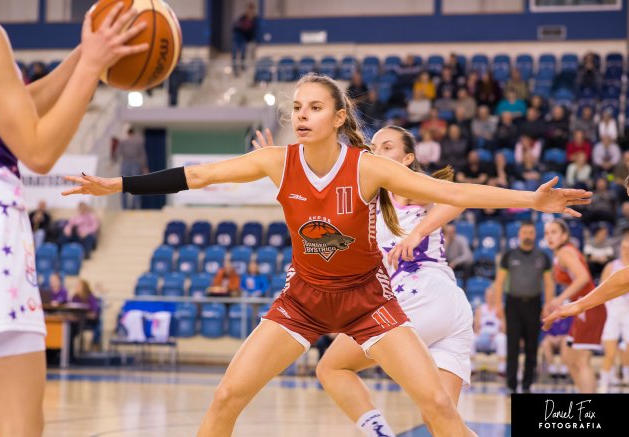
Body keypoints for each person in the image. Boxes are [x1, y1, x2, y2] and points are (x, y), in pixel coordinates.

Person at [63, 73, 590, 437]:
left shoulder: (367, 167)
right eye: (296, 107)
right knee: (226, 397)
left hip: (367, 302)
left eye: (314, 107)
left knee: (435, 406)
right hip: (304, 300)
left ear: (339, 117)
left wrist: (532, 201)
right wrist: (117, 184)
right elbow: (196, 175)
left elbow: (454, 194)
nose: (302, 115)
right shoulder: (276, 161)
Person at [0, 3, 147, 436]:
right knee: (20, 424)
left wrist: (83, 55)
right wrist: (91, 65)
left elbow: (13, 107)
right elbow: (36, 149)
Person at [314, 125, 473, 436]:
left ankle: (380, 434)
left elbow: (459, 199)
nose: (378, 152)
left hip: (420, 294)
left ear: (407, 158)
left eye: (388, 147)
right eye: (374, 147)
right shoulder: (371, 201)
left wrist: (418, 232)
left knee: (331, 367)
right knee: (441, 419)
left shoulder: (408, 187)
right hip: (449, 306)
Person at [543, 219, 607, 393]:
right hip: (583, 306)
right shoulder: (560, 254)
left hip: (590, 307)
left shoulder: (565, 252)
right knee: (568, 357)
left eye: (554, 232)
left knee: (580, 361)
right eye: (547, 233)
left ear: (564, 235)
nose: (549, 236)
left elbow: (583, 277)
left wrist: (560, 299)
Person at [493, 221, 554, 394]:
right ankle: (511, 384)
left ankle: (527, 385)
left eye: (531, 233)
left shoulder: (543, 257)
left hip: (534, 304)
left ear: (535, 235)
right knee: (512, 346)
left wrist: (548, 304)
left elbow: (549, 283)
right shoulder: (509, 256)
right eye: (525, 232)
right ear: (519, 234)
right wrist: (499, 306)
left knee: (532, 347)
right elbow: (499, 283)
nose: (527, 236)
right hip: (513, 305)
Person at [596, 233, 629, 392]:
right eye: (624, 247)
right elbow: (600, 291)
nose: (626, 251)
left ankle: (626, 377)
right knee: (610, 350)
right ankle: (604, 381)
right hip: (612, 310)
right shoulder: (611, 266)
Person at [472, 288, 506, 377]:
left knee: (502, 338)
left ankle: (502, 369)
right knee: (472, 338)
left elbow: (504, 328)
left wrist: (496, 333)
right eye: (488, 296)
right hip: (482, 336)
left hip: (494, 339)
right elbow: (476, 328)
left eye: (492, 296)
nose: (490, 298)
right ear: (485, 297)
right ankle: (471, 368)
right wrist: (482, 334)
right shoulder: (480, 309)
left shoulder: (500, 309)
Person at [115, 127, 148, 209]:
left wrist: (115, 160)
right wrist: (144, 166)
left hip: (126, 163)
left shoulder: (123, 141)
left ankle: (124, 207)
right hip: (135, 163)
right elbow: (142, 155)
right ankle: (137, 207)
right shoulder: (138, 141)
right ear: (133, 133)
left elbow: (118, 152)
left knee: (123, 185)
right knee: (135, 186)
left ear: (128, 133)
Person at [70, 278, 101, 354]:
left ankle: (74, 355)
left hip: (88, 322)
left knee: (72, 331)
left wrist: (84, 315)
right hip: (76, 322)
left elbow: (94, 314)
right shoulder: (75, 297)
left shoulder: (91, 297)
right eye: (76, 286)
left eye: (78, 286)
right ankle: (69, 355)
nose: (76, 287)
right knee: (69, 331)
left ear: (84, 287)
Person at [539, 316, 572, 381]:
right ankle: (552, 368)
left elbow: (570, 332)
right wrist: (552, 338)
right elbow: (545, 332)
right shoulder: (548, 318)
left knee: (565, 341)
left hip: (563, 341)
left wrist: (560, 337)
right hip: (552, 342)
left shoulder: (569, 318)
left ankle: (564, 368)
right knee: (545, 343)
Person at [231, 2, 258, 76]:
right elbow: (236, 27)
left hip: (245, 38)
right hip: (238, 36)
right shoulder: (242, 18)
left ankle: (242, 66)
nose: (250, 11)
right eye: (249, 9)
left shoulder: (255, 19)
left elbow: (253, 31)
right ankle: (235, 68)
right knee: (235, 52)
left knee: (243, 52)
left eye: (251, 9)